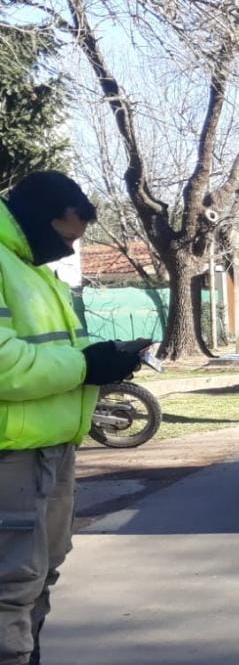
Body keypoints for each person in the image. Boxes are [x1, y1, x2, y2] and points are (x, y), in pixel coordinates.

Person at [0, 171, 148, 665]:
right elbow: (5, 365)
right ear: (37, 220)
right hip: (11, 457)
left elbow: (55, 347)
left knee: (43, 573)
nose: (66, 252)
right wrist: (88, 365)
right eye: (64, 239)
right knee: (11, 583)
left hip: (53, 450)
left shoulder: (34, 270)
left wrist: (106, 354)